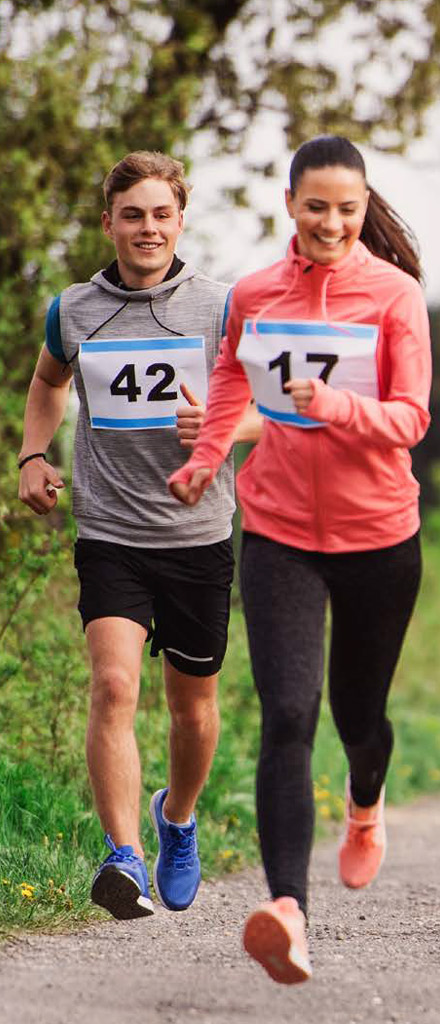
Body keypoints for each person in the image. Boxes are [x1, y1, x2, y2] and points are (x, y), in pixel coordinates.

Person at [168, 135, 431, 985]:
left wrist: (338, 407)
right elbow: (229, 383)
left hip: (379, 534)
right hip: (279, 528)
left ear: (363, 210)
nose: (330, 222)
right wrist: (208, 457)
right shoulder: (255, 293)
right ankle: (290, 911)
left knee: (360, 716)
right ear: (291, 204)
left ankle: (365, 803)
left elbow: (411, 419)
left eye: (346, 209)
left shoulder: (395, 297)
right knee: (287, 712)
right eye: (315, 206)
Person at [18, 152, 260, 920]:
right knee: (114, 686)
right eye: (132, 214)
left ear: (180, 220)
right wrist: (31, 455)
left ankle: (176, 821)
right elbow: (49, 383)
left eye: (161, 214)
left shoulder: (224, 308)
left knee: (193, 709)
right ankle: (122, 857)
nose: (147, 228)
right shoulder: (74, 309)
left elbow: (267, 408)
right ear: (108, 223)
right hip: (110, 530)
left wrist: (219, 431)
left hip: (197, 535)